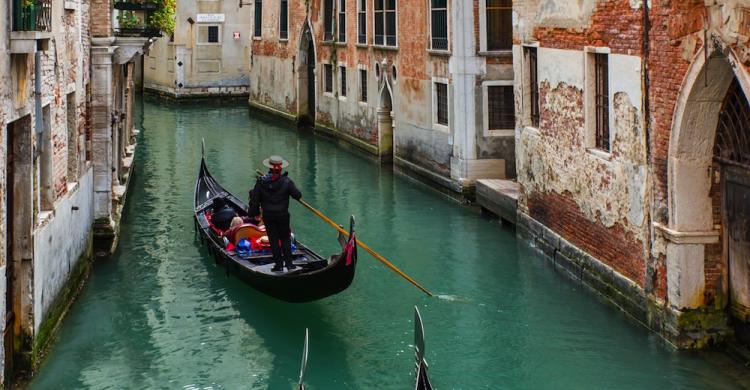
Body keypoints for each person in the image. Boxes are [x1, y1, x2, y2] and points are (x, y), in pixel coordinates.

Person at [248, 155, 302, 272]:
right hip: (282, 215)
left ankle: (278, 265)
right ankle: (289, 265)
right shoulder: (287, 182)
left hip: (268, 216)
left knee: (273, 240)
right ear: (280, 168)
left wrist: (253, 214)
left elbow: (255, 201)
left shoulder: (261, 182)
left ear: (270, 168)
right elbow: (297, 195)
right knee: (285, 239)